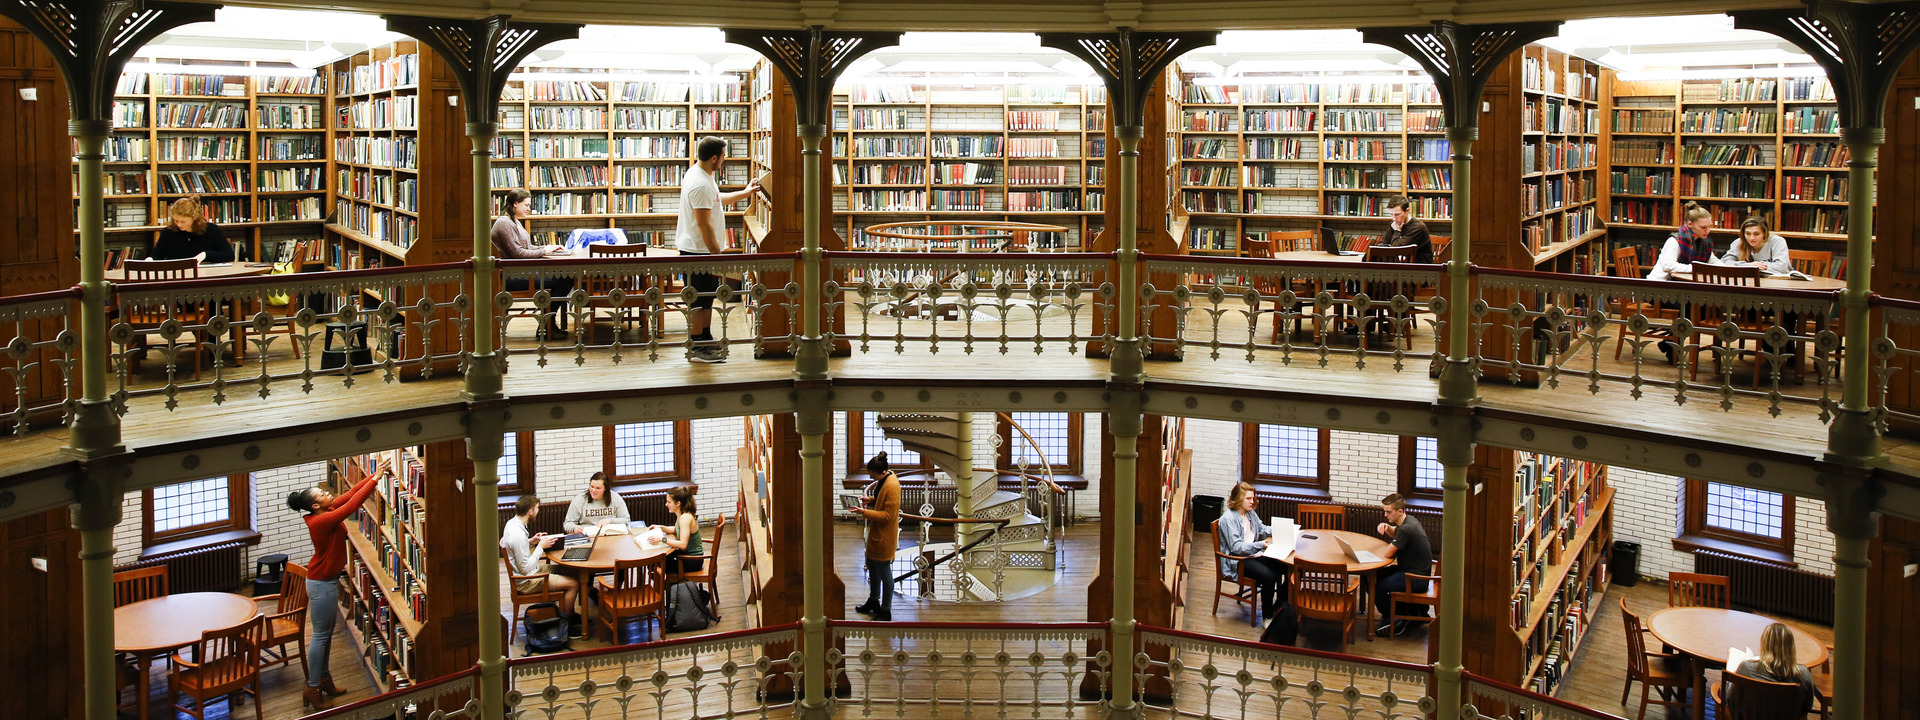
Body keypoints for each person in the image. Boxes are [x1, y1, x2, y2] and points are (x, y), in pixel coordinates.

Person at [286, 456, 393, 711]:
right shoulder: (322, 521)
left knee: (325, 636)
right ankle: (312, 687)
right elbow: (352, 505)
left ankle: (324, 681)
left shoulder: (326, 511)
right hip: (321, 583)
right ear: (315, 506)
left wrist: (373, 475)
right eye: (322, 493)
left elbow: (351, 493)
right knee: (321, 637)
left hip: (326, 581)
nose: (327, 492)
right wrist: (377, 479)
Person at [675, 135, 763, 364]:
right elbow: (704, 226)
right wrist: (718, 256)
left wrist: (745, 193)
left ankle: (704, 337)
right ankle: (696, 346)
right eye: (723, 157)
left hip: (701, 250)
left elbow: (716, 200)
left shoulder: (701, 174)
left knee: (706, 298)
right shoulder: (701, 183)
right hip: (698, 251)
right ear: (714, 158)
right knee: (697, 299)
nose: (724, 160)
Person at [490, 187, 575, 333]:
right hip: (511, 276)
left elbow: (526, 247)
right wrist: (544, 251)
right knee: (565, 279)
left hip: (519, 272)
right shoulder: (505, 223)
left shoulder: (514, 221)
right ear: (515, 204)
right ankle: (547, 325)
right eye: (527, 205)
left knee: (565, 277)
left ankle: (547, 323)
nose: (529, 208)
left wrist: (548, 247)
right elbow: (517, 253)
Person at [501, 494, 582, 637]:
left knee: (572, 570)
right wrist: (540, 547)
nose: (538, 511)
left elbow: (517, 547)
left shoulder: (512, 523)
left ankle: (568, 614)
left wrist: (531, 541)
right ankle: (563, 625)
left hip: (531, 572)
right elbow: (525, 569)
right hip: (527, 581)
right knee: (573, 583)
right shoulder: (517, 535)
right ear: (530, 511)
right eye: (537, 508)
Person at [1217, 482, 1287, 618]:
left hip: (1255, 554)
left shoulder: (1249, 513)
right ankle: (1267, 616)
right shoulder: (1228, 519)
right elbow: (1236, 548)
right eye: (1248, 499)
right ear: (1238, 499)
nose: (1252, 501)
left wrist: (1282, 530)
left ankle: (1280, 605)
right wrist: (1261, 545)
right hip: (1239, 561)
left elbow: (1261, 529)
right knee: (1269, 576)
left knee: (1289, 568)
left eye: (1253, 498)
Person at [1373, 492, 1433, 637]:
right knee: (1371, 576)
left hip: (1416, 579)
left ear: (1400, 512)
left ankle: (1396, 618)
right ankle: (1401, 613)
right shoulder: (1409, 520)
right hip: (1414, 572)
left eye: (1389, 512)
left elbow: (1388, 554)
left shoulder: (1407, 529)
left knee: (1375, 584)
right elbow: (1396, 533)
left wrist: (1389, 536)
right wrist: (1387, 527)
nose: (1386, 515)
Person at [1727, 622, 1818, 715]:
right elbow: (1808, 706)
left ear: (1764, 644)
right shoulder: (1803, 674)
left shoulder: (1746, 668)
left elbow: (1732, 700)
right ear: (1791, 647)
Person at [851, 452, 901, 621]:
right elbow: (881, 499)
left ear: (883, 472)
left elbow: (888, 515)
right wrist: (871, 500)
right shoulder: (885, 479)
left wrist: (864, 512)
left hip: (884, 537)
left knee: (885, 574)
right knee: (872, 567)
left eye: (873, 475)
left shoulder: (892, 486)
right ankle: (873, 601)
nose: (871, 478)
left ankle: (886, 610)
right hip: (877, 535)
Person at [1646, 201, 1722, 282]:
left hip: (1678, 284)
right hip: (1659, 284)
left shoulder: (1703, 241)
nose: (1708, 231)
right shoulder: (1675, 241)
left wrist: (1725, 268)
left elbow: (1712, 260)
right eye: (1703, 227)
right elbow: (1668, 265)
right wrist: (1697, 269)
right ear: (1689, 224)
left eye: (1709, 226)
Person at [150, 195, 234, 263]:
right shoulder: (168, 232)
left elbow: (229, 255)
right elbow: (157, 256)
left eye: (183, 221)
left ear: (194, 217)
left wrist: (206, 255)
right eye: (176, 220)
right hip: (178, 276)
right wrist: (149, 260)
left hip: (205, 275)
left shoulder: (211, 230)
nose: (179, 224)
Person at [562, 471, 632, 533]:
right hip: (587, 535)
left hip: (609, 534)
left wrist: (610, 521)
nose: (593, 491)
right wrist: (574, 528)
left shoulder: (615, 498)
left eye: (598, 488)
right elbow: (567, 524)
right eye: (592, 487)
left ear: (605, 489)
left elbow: (626, 520)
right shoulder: (579, 500)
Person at [1722, 216, 1792, 275]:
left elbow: (1781, 267)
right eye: (1748, 234)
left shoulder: (1777, 242)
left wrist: (1757, 266)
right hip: (1749, 280)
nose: (1752, 238)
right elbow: (1725, 263)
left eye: (1756, 234)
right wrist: (1749, 266)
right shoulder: (1739, 242)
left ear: (1765, 233)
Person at [660, 486, 705, 575]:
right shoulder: (681, 514)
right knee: (660, 560)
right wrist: (660, 527)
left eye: (669, 502)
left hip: (692, 560)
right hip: (686, 556)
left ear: (678, 503)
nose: (666, 505)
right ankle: (669, 587)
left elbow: (683, 545)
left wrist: (663, 539)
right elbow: (675, 529)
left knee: (659, 565)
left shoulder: (685, 518)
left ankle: (671, 587)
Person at [1377, 195, 1433, 263]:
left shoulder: (1417, 227)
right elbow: (1382, 244)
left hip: (1419, 268)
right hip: (1403, 264)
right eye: (1391, 214)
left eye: (1397, 214)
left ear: (1407, 211)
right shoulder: (1395, 224)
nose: (1394, 218)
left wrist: (1397, 231)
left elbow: (1395, 251)